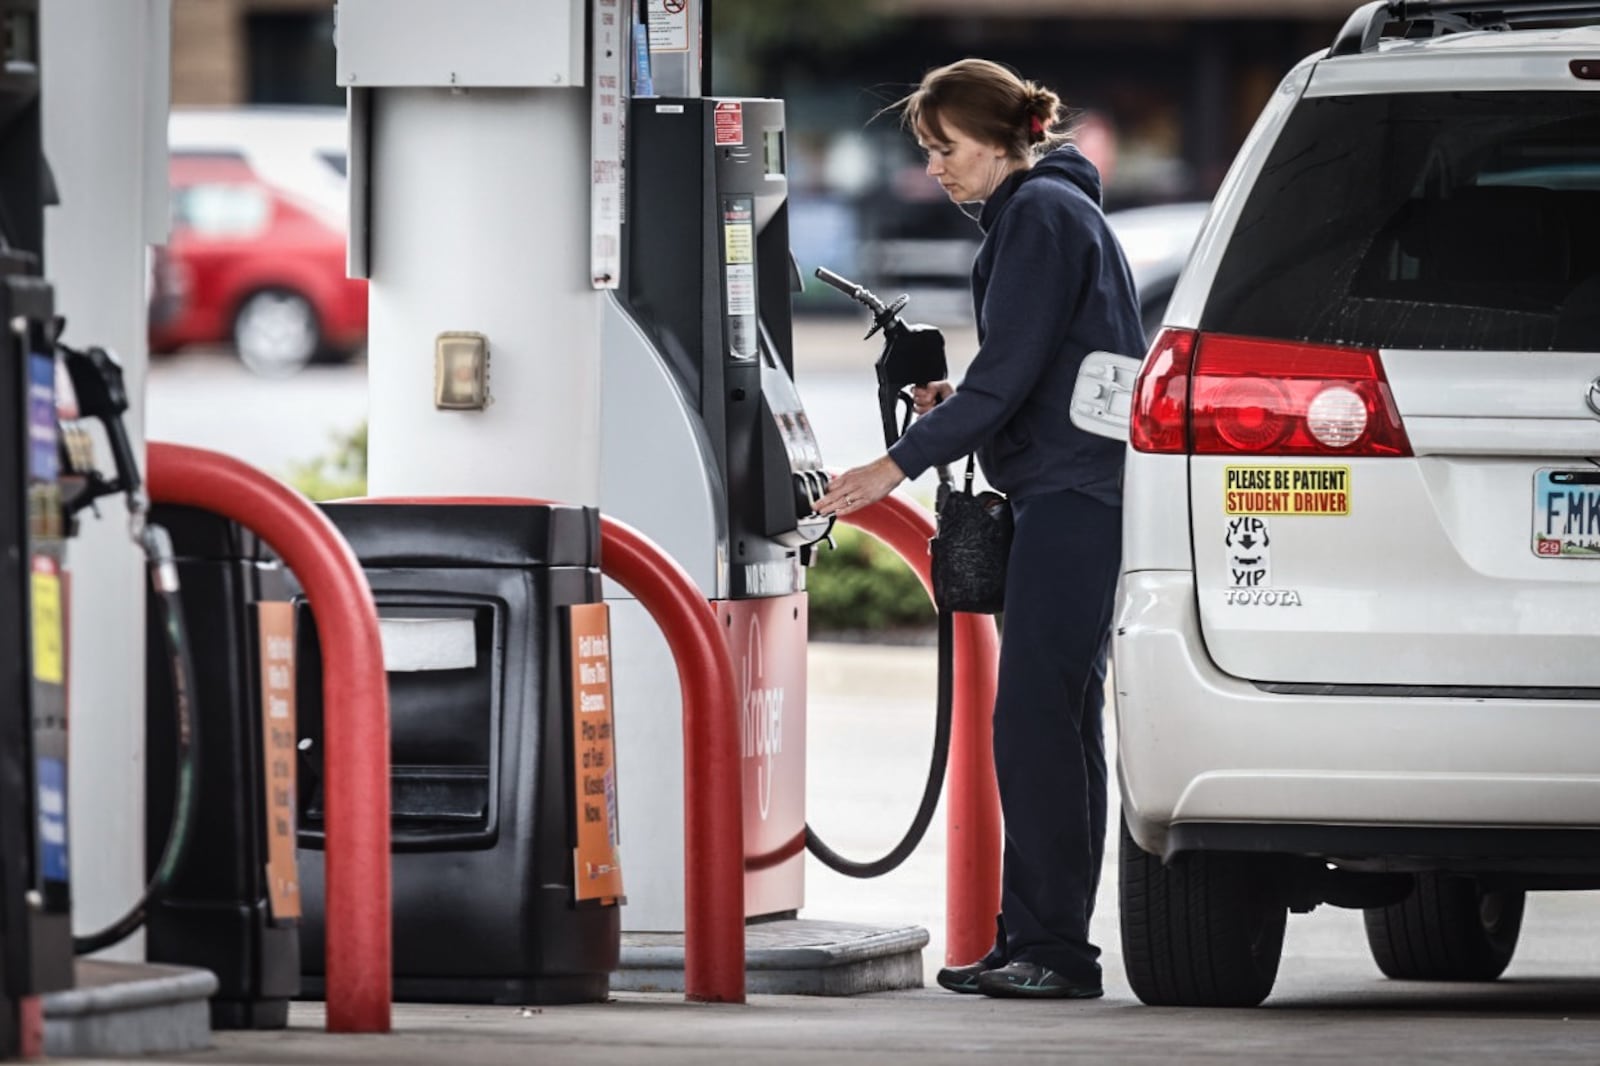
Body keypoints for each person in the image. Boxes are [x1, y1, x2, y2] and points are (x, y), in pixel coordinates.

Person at [814, 58, 1143, 1000]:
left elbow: (1009, 380)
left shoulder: (1039, 216)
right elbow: (1034, 372)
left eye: (946, 149)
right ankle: (1044, 941)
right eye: (928, 151)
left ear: (1002, 140)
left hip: (1072, 494)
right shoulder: (1058, 208)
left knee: (1036, 719)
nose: (936, 170)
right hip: (1081, 483)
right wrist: (961, 401)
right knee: (1060, 720)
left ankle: (1051, 951)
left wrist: (890, 465)